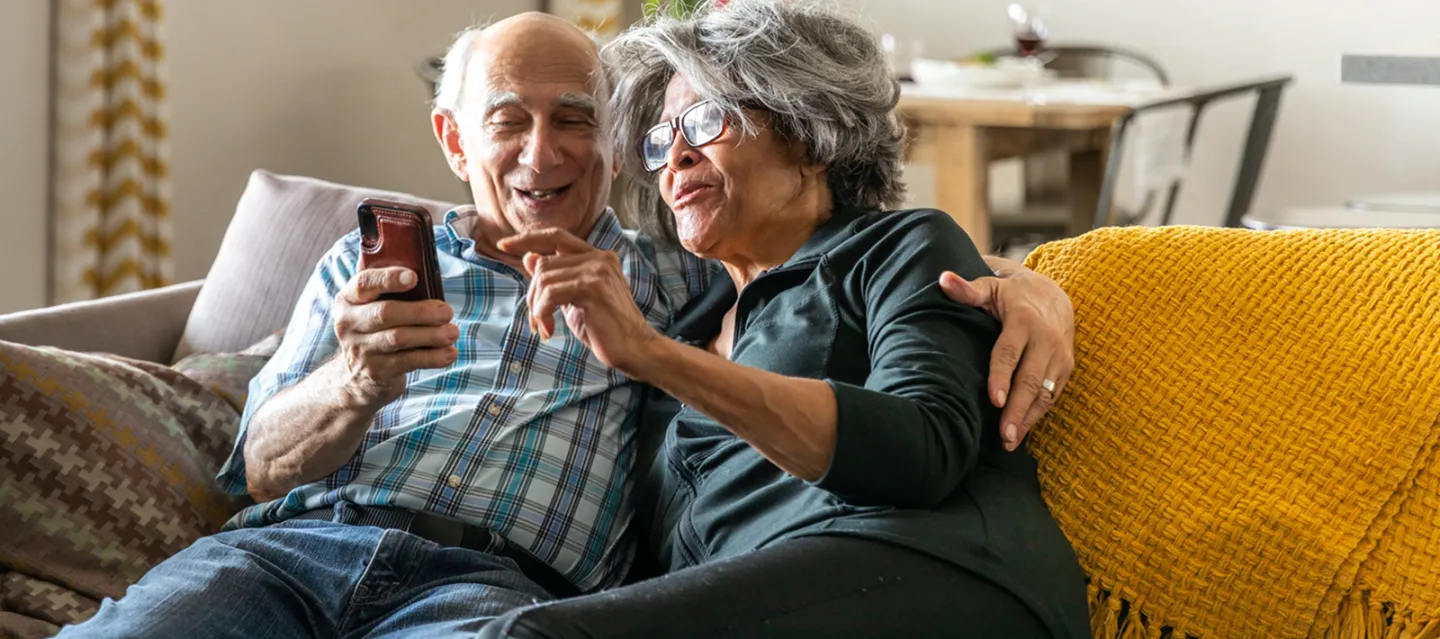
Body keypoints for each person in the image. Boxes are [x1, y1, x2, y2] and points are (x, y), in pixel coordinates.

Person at [57, 9, 1075, 639]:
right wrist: (354, 385)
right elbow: (257, 467)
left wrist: (1036, 282)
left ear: (612, 147)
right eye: (509, 118)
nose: (544, 151)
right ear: (456, 139)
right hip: (287, 551)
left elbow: (830, 249)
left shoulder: (670, 278)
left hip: (494, 588)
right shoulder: (361, 265)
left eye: (577, 118)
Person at [478, 1, 1089, 637]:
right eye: (662, 141)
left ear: (806, 134)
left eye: (704, 120)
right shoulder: (687, 317)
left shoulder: (900, 248)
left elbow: (923, 450)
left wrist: (652, 354)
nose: (677, 157)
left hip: (937, 574)